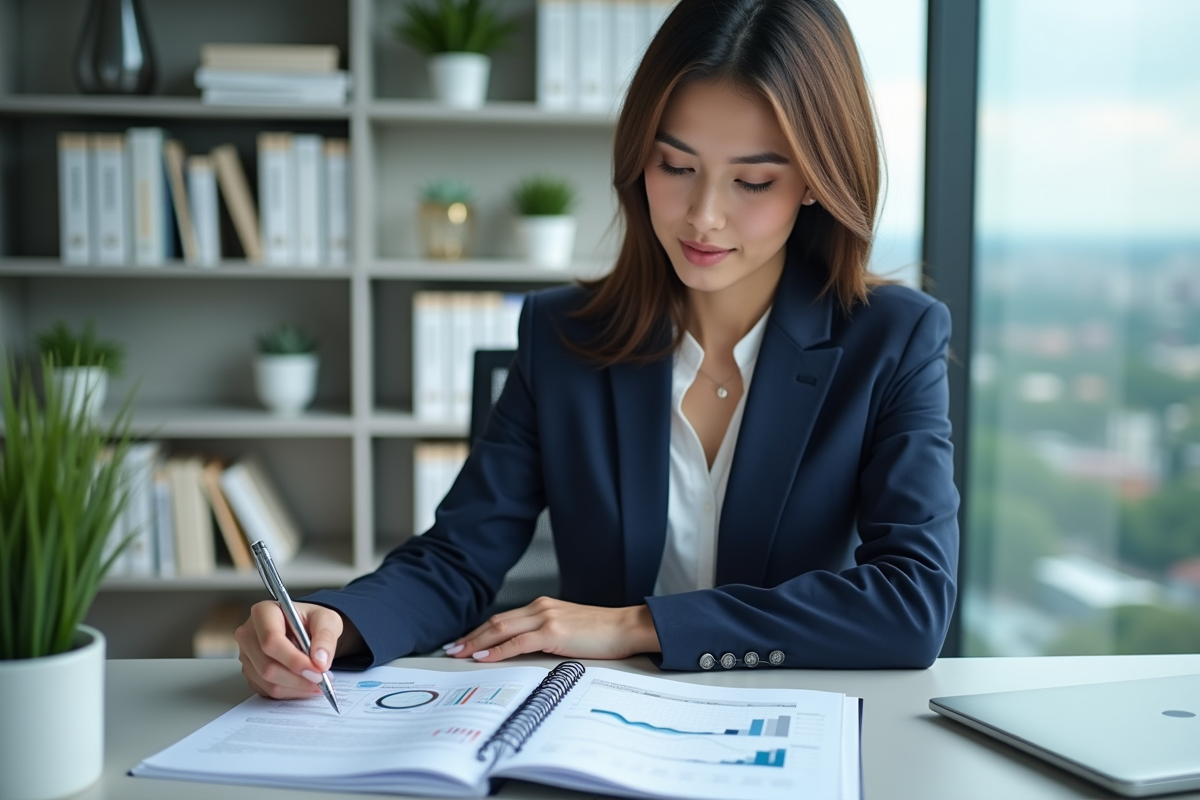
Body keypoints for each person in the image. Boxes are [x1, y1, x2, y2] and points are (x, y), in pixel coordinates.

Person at [235, 0, 959, 701]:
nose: (704, 215)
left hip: (789, 728)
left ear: (814, 181)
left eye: (752, 180)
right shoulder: (563, 335)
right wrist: (339, 623)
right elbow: (459, 557)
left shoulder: (893, 339)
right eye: (674, 167)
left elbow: (912, 602)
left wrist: (636, 627)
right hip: (595, 729)